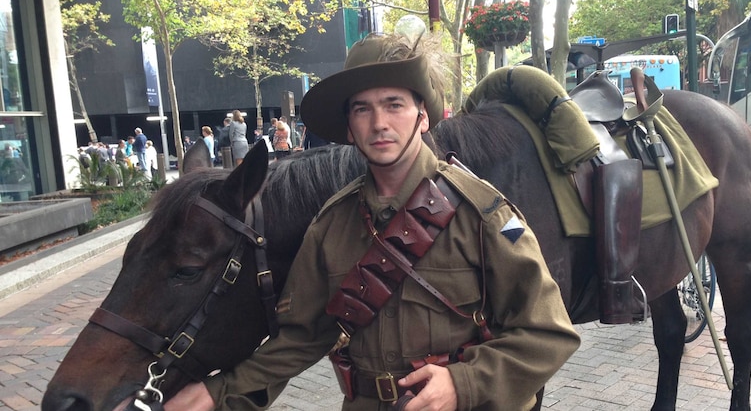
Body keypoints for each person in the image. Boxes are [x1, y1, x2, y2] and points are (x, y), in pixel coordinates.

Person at [167, 33, 579, 411]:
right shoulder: (331, 225)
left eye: (394, 104)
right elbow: (302, 338)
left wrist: (464, 382)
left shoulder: (482, 213)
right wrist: (216, 393)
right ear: (349, 126)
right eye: (363, 109)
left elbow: (548, 334)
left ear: (422, 114)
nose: (379, 123)